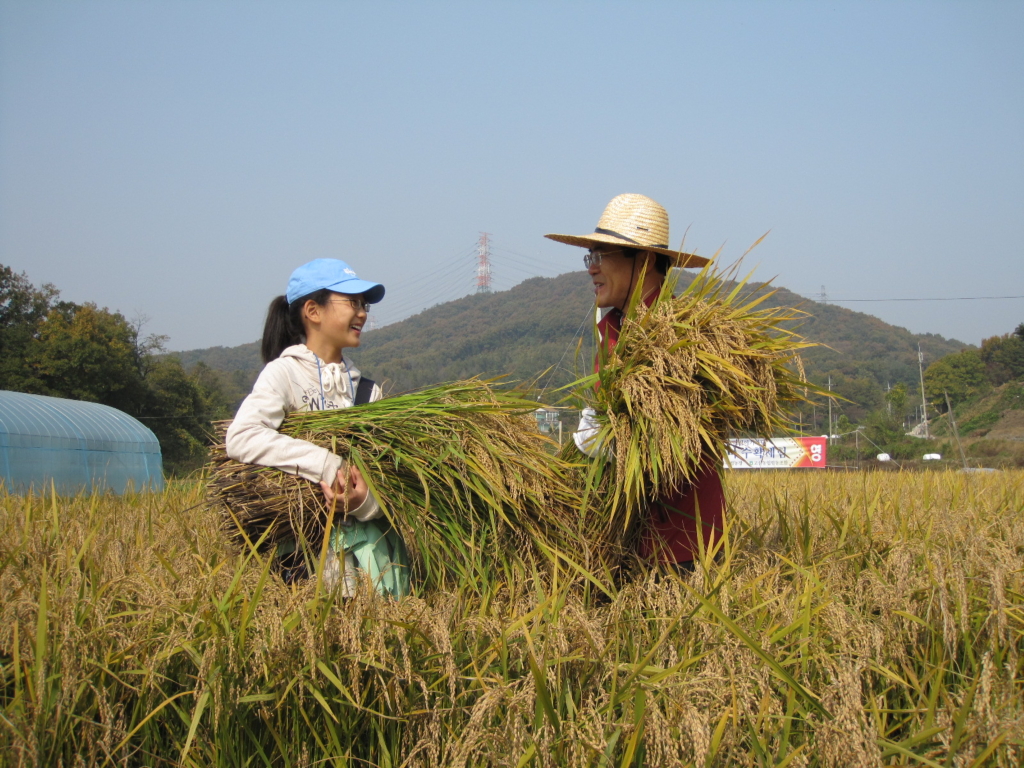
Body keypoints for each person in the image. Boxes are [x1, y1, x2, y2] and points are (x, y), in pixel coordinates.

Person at [545, 193, 726, 572]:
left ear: (642, 260)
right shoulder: (612, 331)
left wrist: (614, 436)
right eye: (589, 257)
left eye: (599, 256)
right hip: (629, 542)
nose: (590, 269)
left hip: (683, 545)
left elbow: (671, 441)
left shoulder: (688, 336)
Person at [226, 258, 408, 597]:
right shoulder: (285, 374)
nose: (363, 313)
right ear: (313, 311)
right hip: (304, 567)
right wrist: (328, 465)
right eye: (352, 302)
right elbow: (242, 437)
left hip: (370, 572)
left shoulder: (369, 391)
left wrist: (363, 502)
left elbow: (390, 480)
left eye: (364, 304)